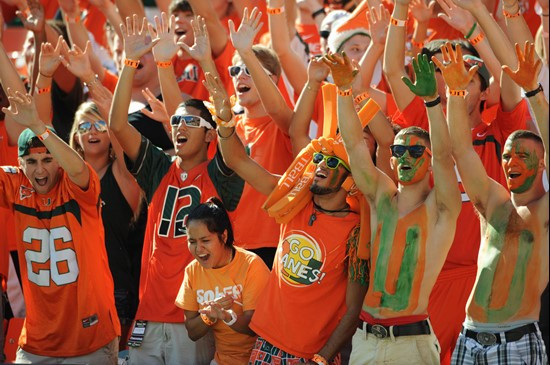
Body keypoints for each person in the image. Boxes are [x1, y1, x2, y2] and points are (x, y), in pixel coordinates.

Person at [203, 68, 375, 364]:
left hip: (311, 356)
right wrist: (226, 122)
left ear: (351, 178)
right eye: (318, 157)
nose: (319, 163)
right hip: (265, 345)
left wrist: (322, 358)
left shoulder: (356, 230)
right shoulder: (294, 201)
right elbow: (236, 160)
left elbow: (352, 309)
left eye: (331, 161)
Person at [109, 15, 244, 365]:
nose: (179, 126)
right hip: (148, 314)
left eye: (190, 121)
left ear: (210, 135)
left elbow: (227, 126)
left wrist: (203, 63)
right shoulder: (158, 168)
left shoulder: (221, 173)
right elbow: (117, 125)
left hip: (194, 319)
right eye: (175, 121)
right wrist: (128, 62)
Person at [327, 51, 461, 364]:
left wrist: (431, 102)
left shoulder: (441, 208)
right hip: (365, 339)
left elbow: (444, 156)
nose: (406, 156)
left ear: (428, 163)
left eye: (416, 151)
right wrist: (344, 91)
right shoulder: (381, 198)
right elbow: (352, 143)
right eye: (399, 150)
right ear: (390, 158)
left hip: (410, 342)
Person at [440, 41, 548, 364]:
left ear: (542, 164)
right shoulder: (494, 203)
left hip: (516, 339)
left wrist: (533, 92)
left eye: (523, 155)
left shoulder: (543, 212)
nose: (511, 162)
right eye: (506, 156)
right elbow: (460, 149)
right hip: (468, 336)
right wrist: (455, 94)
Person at [0, 89, 119, 363]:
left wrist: (39, 127)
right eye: (31, 162)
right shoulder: (17, 184)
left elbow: (78, 169)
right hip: (37, 341)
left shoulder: (75, 184)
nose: (40, 171)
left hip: (89, 338)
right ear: (20, 163)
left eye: (47, 160)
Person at [68, 93, 143, 349]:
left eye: (100, 125)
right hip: (70, 286)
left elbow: (119, 127)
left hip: (114, 287)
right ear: (75, 137)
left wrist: (90, 76)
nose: (92, 131)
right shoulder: (64, 179)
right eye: (84, 126)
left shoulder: (121, 174)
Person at [175, 197, 270, 364]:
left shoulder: (252, 265)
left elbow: (254, 327)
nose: (198, 249)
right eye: (192, 242)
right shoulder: (192, 271)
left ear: (224, 236)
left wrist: (226, 316)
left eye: (205, 240)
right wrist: (209, 316)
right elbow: (192, 331)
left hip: (260, 360)